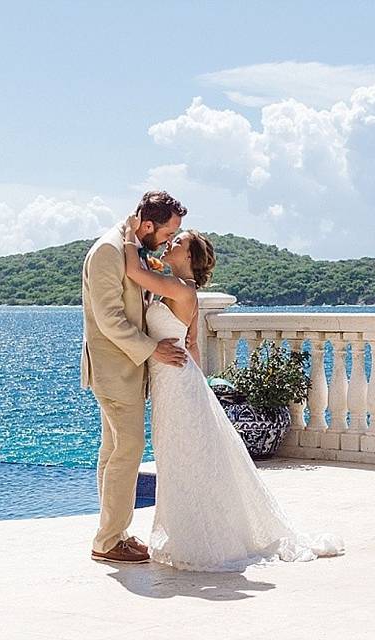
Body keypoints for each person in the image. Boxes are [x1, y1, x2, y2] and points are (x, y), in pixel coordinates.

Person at [120, 213, 344, 572]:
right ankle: (188, 531)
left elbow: (134, 272)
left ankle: (200, 538)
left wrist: (130, 232)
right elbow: (190, 344)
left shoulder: (179, 289)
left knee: (183, 458)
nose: (171, 243)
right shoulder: (177, 287)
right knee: (178, 458)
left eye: (178, 243)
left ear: (189, 257)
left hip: (176, 385)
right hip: (175, 381)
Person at [81, 190, 188, 564]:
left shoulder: (128, 246)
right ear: (146, 225)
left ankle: (115, 534)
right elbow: (109, 318)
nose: (167, 241)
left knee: (113, 451)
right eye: (166, 232)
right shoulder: (109, 251)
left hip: (125, 370)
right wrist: (151, 349)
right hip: (115, 369)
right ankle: (108, 541)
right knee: (127, 450)